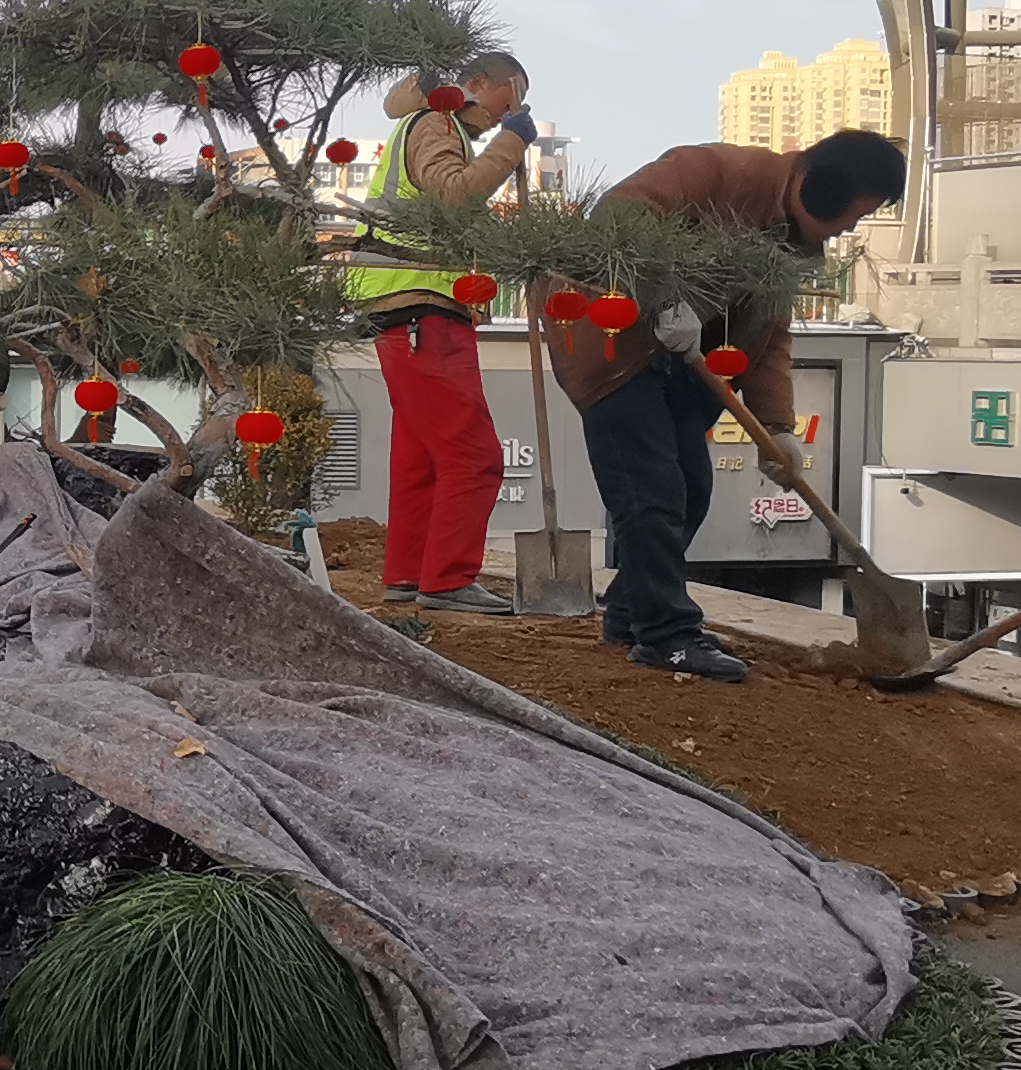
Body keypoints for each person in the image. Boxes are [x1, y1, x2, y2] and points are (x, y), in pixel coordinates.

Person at [551, 129, 905, 682]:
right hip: (615, 350)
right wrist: (662, 296)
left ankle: (630, 612)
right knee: (651, 495)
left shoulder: (789, 246)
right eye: (853, 216)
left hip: (689, 368)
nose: (847, 231)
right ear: (825, 189)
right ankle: (667, 635)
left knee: (692, 489)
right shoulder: (715, 171)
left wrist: (777, 426)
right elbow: (619, 216)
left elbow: (769, 339)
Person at [347, 52, 540, 614]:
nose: (512, 109)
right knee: (473, 455)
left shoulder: (431, 125)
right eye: (512, 95)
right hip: (422, 308)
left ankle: (410, 574)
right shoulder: (436, 123)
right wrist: (513, 141)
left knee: (422, 458)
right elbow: (453, 193)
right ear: (479, 83)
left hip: (404, 307)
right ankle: (448, 579)